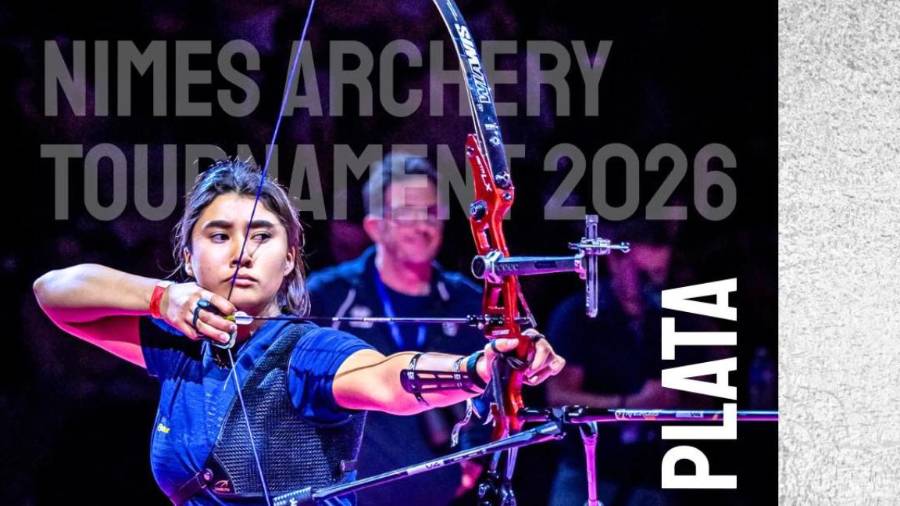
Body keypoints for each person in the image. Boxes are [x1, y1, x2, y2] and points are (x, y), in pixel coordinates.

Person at [32, 159, 565, 506]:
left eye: (261, 236)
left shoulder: (306, 350)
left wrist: (479, 368)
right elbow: (54, 294)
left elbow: (384, 378)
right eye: (218, 235)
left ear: (289, 259)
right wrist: (162, 296)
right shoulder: (179, 347)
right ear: (188, 256)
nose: (241, 251)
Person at [306, 153, 489, 506]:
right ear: (375, 226)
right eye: (406, 213)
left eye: (432, 212)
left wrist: (473, 461)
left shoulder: (469, 301)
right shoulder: (327, 296)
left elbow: (494, 391)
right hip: (346, 497)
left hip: (443, 498)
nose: (423, 225)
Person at [545, 220, 685, 506]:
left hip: (649, 474)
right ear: (616, 262)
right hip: (587, 472)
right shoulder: (577, 315)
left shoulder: (662, 318)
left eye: (658, 274)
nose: (651, 284)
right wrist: (629, 403)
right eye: (642, 274)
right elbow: (558, 397)